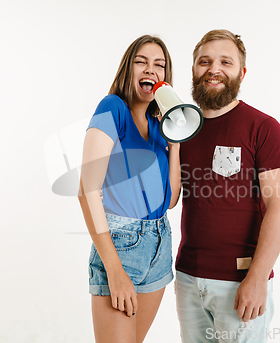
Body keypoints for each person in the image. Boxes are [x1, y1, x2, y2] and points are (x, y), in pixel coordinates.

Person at [175, 29, 280, 343]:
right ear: (194, 71)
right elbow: (172, 197)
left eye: (225, 62)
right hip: (187, 277)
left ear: (241, 73)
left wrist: (257, 277)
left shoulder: (264, 128)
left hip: (239, 282)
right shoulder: (184, 129)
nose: (214, 69)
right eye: (205, 61)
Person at [78, 35, 181, 343]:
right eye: (141, 62)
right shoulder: (113, 108)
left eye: (159, 65)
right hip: (121, 246)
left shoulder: (158, 124)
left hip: (159, 243)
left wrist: (173, 143)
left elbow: (172, 199)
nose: (151, 70)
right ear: (128, 69)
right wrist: (114, 269)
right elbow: (87, 189)